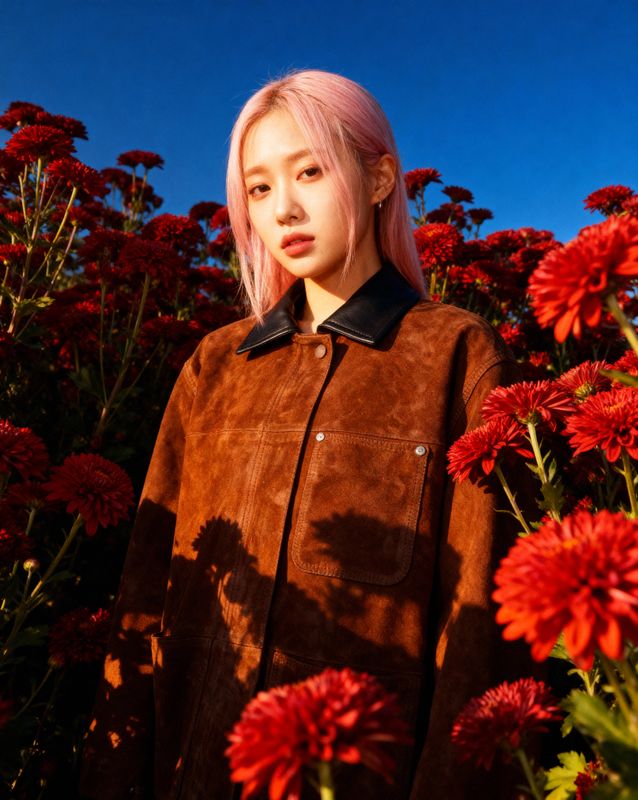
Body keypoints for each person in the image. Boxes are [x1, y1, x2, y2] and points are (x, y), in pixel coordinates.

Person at [79, 69, 533, 800]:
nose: (283, 207)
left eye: (311, 172)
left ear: (381, 177)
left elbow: (481, 631)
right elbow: (148, 588)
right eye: (258, 188)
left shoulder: (456, 354)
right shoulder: (214, 366)